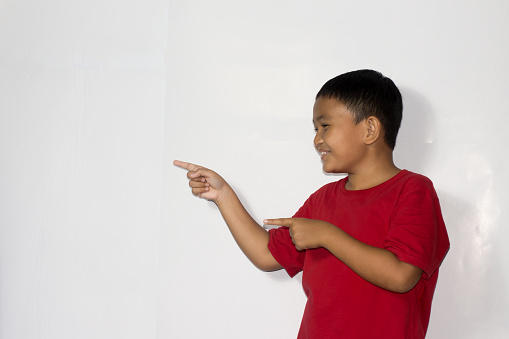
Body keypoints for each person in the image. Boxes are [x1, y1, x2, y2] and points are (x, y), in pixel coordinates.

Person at [174, 69, 449, 339]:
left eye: (325, 126)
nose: (317, 139)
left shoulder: (413, 190)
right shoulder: (322, 200)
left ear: (370, 129)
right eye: (315, 129)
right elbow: (267, 255)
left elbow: (401, 276)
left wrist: (327, 235)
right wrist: (223, 196)